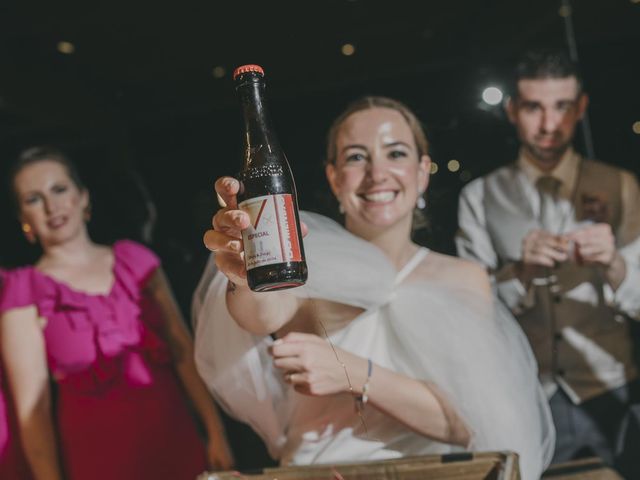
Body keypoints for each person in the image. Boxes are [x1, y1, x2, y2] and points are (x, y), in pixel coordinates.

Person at [193, 96, 554, 480]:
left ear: (422, 172)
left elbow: (478, 423)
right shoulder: (302, 263)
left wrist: (355, 373)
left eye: (395, 153)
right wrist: (245, 272)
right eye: (356, 157)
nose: (377, 173)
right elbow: (261, 312)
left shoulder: (463, 279)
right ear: (333, 177)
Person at [456, 50, 640, 477]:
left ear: (581, 109)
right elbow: (470, 312)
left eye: (561, 107)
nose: (549, 124)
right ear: (513, 111)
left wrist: (613, 261)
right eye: (534, 107)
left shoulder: (621, 186)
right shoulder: (480, 197)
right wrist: (520, 273)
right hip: (527, 394)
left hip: (612, 387)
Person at [0, 146, 234, 480]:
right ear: (24, 219)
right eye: (33, 199)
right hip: (99, 460)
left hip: (177, 443)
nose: (51, 206)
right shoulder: (24, 291)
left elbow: (182, 350)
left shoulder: (135, 261)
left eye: (59, 189)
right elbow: (32, 412)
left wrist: (216, 432)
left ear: (83, 197)